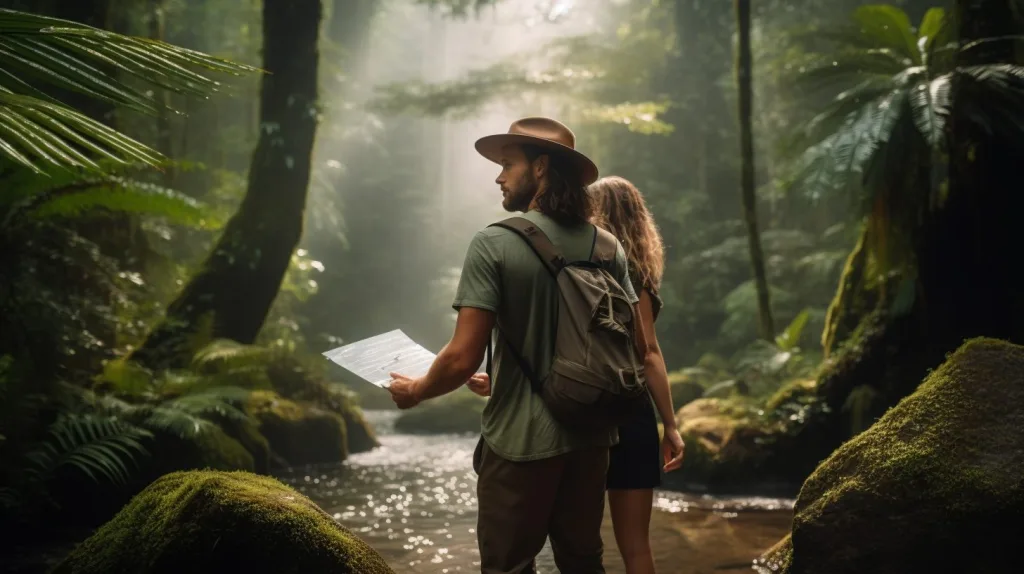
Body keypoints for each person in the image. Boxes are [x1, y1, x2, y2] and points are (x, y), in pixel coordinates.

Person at [386, 117, 647, 573]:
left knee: (508, 565)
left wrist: (416, 392)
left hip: (521, 443)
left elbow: (461, 357)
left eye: (508, 164)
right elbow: (636, 345)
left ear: (541, 168)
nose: (499, 175)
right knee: (584, 561)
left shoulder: (495, 243)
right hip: (592, 439)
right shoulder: (607, 247)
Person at [589, 175, 685, 574]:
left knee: (580, 543)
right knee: (636, 547)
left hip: (585, 408)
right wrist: (671, 426)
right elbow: (648, 354)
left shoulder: (580, 271)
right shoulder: (640, 278)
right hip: (631, 411)